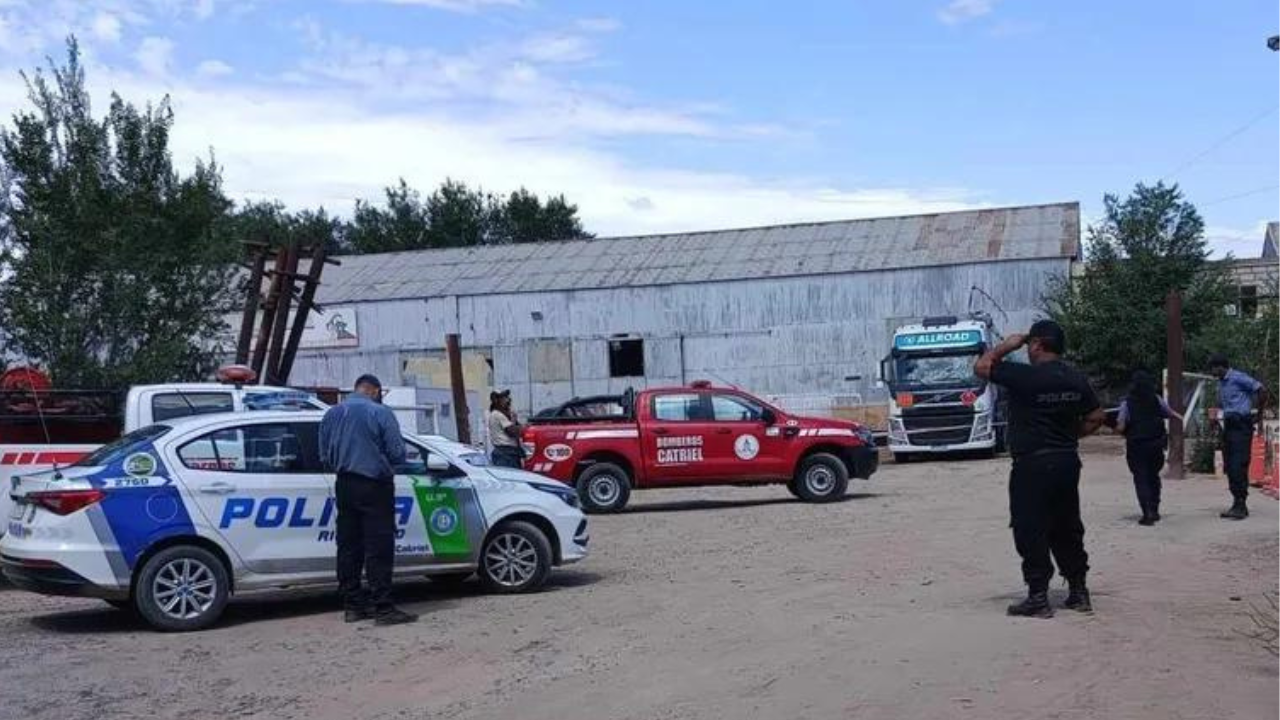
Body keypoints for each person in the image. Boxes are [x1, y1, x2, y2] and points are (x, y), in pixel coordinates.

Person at [974, 320, 1106, 618]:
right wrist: (1073, 435)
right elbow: (1096, 416)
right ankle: (1078, 591)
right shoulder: (1075, 379)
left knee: (1030, 527)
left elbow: (982, 367)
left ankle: (1038, 597)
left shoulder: (1024, 376)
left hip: (1032, 464)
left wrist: (1008, 345)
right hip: (1066, 462)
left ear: (1036, 344)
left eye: (1029, 344)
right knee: (1067, 525)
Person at [319, 374, 416, 626]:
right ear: (375, 391)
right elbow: (397, 452)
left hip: (344, 484)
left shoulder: (332, 414)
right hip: (374, 485)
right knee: (378, 547)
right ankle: (383, 608)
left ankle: (353, 606)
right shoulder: (379, 413)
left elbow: (324, 455)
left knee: (349, 546)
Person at [1115, 370, 1183, 526]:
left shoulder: (1127, 403)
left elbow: (1121, 426)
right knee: (1153, 476)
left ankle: (1147, 512)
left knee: (1141, 478)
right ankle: (1155, 508)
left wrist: (1116, 428)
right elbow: (1169, 413)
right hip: (1156, 445)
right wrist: (1181, 418)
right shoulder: (1156, 399)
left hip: (1137, 446)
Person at [1208, 354, 1268, 520]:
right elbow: (1223, 404)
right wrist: (1214, 419)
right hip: (1229, 425)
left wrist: (1259, 414)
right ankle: (1237, 502)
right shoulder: (1221, 382)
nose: (1212, 372)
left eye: (1213, 368)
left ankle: (1241, 504)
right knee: (1229, 463)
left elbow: (1261, 390)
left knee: (1238, 464)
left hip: (1241, 424)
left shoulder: (1238, 377)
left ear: (1220, 367)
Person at [488, 389, 524, 468]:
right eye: (504, 398)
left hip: (509, 453)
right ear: (497, 401)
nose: (508, 400)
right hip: (505, 454)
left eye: (507, 397)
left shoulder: (503, 415)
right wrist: (515, 423)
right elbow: (513, 432)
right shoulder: (498, 415)